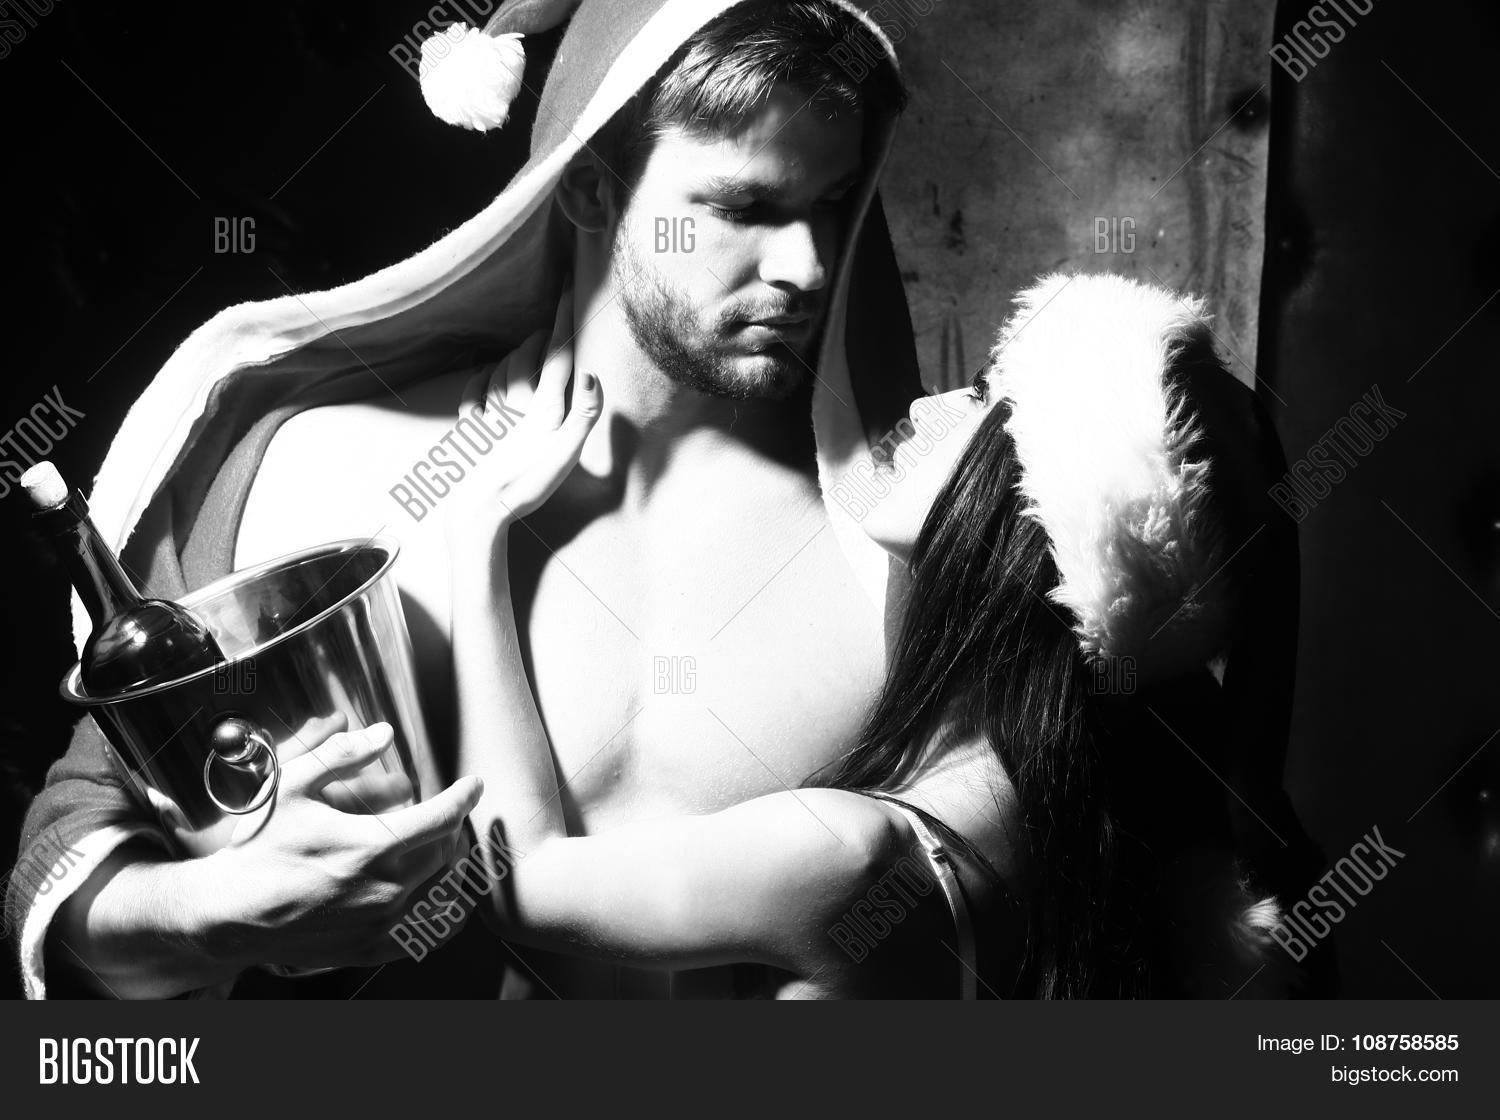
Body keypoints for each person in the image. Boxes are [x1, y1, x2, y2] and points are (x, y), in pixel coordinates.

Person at [7, 0, 933, 999]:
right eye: (745, 208)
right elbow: (70, 870)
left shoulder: (900, 543)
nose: (808, 265)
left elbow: (1001, 910)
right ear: (590, 187)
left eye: (833, 202)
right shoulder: (312, 472)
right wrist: (207, 912)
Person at [422, 270, 1296, 998]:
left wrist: (476, 530)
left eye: (983, 398)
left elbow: (517, 877)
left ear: (1028, 513)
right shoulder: (1068, 834)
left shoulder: (843, 858)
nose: (932, 401)